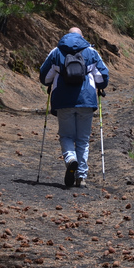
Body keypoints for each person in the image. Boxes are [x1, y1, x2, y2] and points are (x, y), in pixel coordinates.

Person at [39, 27, 109, 188]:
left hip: (63, 101)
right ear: (82, 37)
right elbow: (103, 77)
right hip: (86, 100)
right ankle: (81, 177)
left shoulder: (57, 52)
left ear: (66, 35)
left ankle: (71, 159)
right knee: (83, 139)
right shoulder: (91, 52)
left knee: (66, 136)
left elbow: (44, 76)